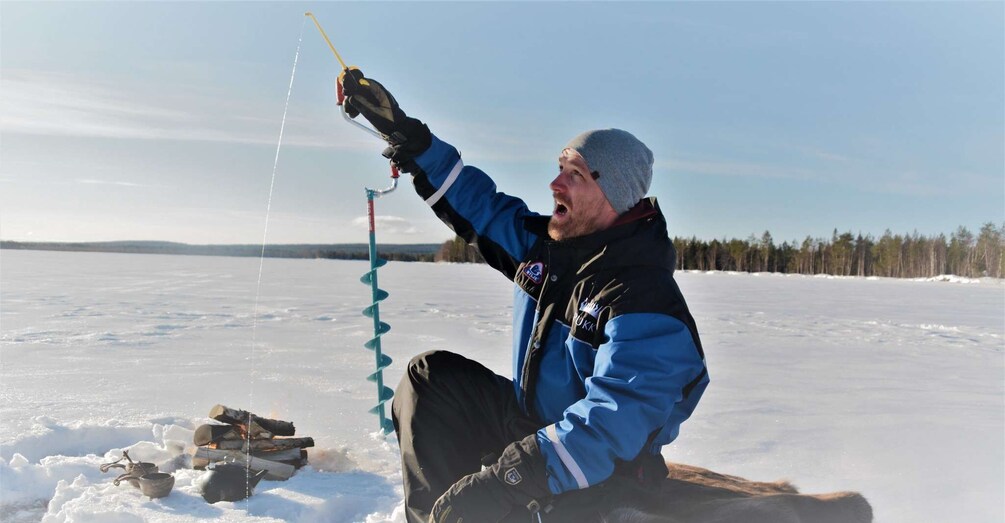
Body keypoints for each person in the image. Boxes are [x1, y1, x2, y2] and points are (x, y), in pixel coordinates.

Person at [339, 69, 709, 523]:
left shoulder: (645, 298)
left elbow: (614, 421)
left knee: (544, 482)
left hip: (600, 475)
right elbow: (482, 207)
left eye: (576, 174)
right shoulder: (549, 252)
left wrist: (509, 477)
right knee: (430, 378)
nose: (556, 183)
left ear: (613, 195)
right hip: (531, 426)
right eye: (559, 168)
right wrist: (409, 137)